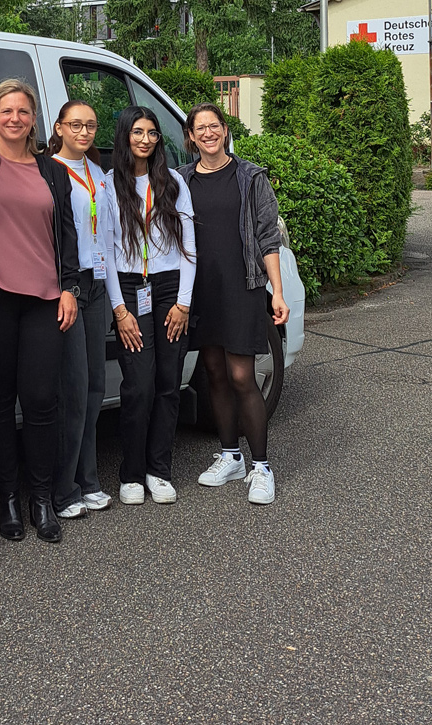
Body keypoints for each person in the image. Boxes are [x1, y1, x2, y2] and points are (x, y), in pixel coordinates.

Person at [0, 79, 81, 544]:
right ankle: (8, 498)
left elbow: (68, 234)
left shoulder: (52, 171)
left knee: (40, 402)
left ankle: (41, 497)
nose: (15, 119)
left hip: (45, 298)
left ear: (34, 119)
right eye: (6, 111)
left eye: (23, 112)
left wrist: (71, 286)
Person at [177, 103, 289, 504]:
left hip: (242, 287)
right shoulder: (182, 180)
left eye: (214, 126)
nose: (207, 133)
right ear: (190, 137)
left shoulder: (251, 176)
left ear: (225, 131)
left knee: (242, 376)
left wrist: (277, 291)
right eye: (199, 128)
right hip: (201, 289)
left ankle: (260, 465)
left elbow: (267, 238)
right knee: (214, 375)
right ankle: (230, 456)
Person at [47, 100, 131, 520]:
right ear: (59, 128)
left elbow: (109, 237)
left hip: (97, 284)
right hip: (70, 286)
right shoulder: (49, 171)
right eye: (75, 125)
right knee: (74, 390)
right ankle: (64, 490)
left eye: (91, 126)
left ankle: (89, 480)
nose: (84, 132)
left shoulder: (98, 173)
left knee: (96, 386)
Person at [109, 106, 196, 506]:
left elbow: (189, 248)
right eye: (138, 132)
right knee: (138, 385)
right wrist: (120, 310)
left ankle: (159, 470)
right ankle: (130, 473)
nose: (145, 139)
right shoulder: (110, 184)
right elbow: (107, 253)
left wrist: (183, 303)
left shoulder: (174, 181)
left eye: (152, 133)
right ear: (125, 135)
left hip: (169, 288)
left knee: (167, 383)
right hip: (130, 288)